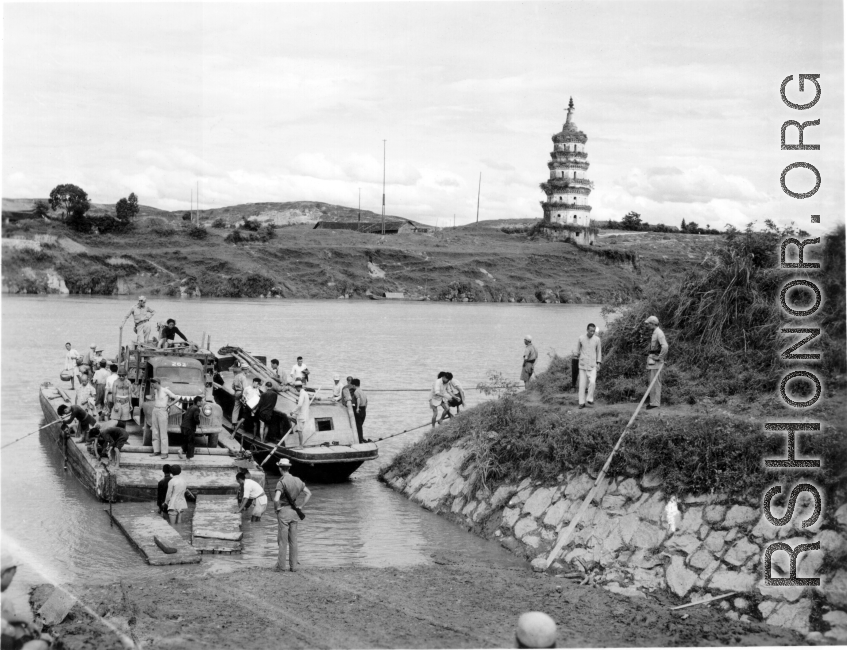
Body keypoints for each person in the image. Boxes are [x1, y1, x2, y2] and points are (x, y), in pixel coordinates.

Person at [273, 458, 311, 572]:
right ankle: (293, 566)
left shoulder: (281, 482)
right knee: (293, 541)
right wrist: (301, 506)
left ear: (280, 468)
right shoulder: (298, 480)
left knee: (282, 541)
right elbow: (309, 493)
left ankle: (281, 566)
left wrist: (277, 508)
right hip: (294, 512)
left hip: (284, 511)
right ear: (289, 468)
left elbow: (276, 499)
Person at [574, 323, 602, 409]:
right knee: (582, 385)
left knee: (592, 382)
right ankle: (581, 403)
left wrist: (599, 363)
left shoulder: (597, 339)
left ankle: (590, 399)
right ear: (587, 330)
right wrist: (575, 357)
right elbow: (577, 350)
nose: (592, 332)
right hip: (582, 364)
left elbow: (599, 352)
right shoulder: (581, 338)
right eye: (591, 331)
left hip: (593, 364)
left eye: (594, 331)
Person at [149, 378, 178, 459]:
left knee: (163, 432)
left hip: (162, 411)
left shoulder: (165, 390)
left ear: (157, 383)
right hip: (155, 410)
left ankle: (164, 452)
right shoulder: (155, 391)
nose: (152, 385)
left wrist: (169, 405)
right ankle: (156, 450)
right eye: (152, 383)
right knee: (155, 431)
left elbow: (176, 398)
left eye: (153, 383)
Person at [644, 315, 668, 410]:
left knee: (655, 382)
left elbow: (665, 347)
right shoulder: (655, 332)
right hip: (652, 360)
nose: (647, 325)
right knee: (652, 381)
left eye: (648, 324)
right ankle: (652, 401)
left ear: (653, 323)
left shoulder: (659, 333)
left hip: (656, 362)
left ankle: (655, 403)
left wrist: (659, 357)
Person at [179, 396, 203, 460]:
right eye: (201, 401)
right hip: (189, 428)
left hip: (183, 426)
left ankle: (181, 450)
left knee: (186, 441)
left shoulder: (190, 407)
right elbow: (196, 418)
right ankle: (188, 459)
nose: (202, 403)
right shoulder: (197, 409)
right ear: (198, 402)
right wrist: (198, 423)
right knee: (191, 442)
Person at [291, 380, 312, 445]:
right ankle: (301, 445)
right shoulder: (305, 393)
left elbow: (299, 404)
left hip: (301, 415)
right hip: (304, 414)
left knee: (299, 431)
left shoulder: (302, 394)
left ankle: (301, 446)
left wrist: (293, 411)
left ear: (297, 387)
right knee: (299, 429)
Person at [351, 378, 368, 443]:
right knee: (360, 425)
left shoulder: (356, 392)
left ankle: (360, 439)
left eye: (352, 385)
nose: (352, 387)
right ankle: (361, 437)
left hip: (359, 408)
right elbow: (366, 401)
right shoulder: (363, 391)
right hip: (363, 409)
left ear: (354, 385)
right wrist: (365, 409)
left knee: (358, 425)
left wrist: (357, 408)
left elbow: (358, 399)